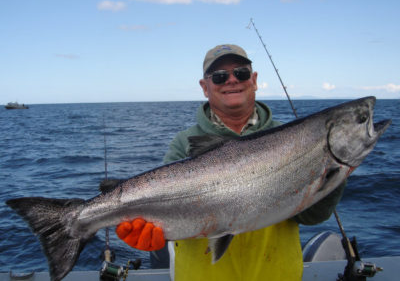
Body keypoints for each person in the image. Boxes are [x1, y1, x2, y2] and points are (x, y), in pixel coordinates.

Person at [114, 44, 345, 280]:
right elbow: (164, 216)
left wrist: (335, 170)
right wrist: (152, 233)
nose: (232, 80)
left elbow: (311, 216)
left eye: (241, 73)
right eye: (220, 76)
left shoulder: (293, 138)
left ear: (254, 80)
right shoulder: (185, 143)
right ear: (205, 87)